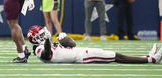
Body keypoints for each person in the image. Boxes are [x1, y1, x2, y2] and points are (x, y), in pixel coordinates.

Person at [27, 25, 162, 64]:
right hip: (82, 57)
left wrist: (64, 38)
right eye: (41, 34)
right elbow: (46, 54)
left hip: (81, 52)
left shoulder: (46, 44)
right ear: (36, 38)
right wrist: (47, 41)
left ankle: (147, 57)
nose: (44, 34)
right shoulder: (39, 50)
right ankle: (151, 59)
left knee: (115, 56)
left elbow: (73, 44)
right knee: (116, 56)